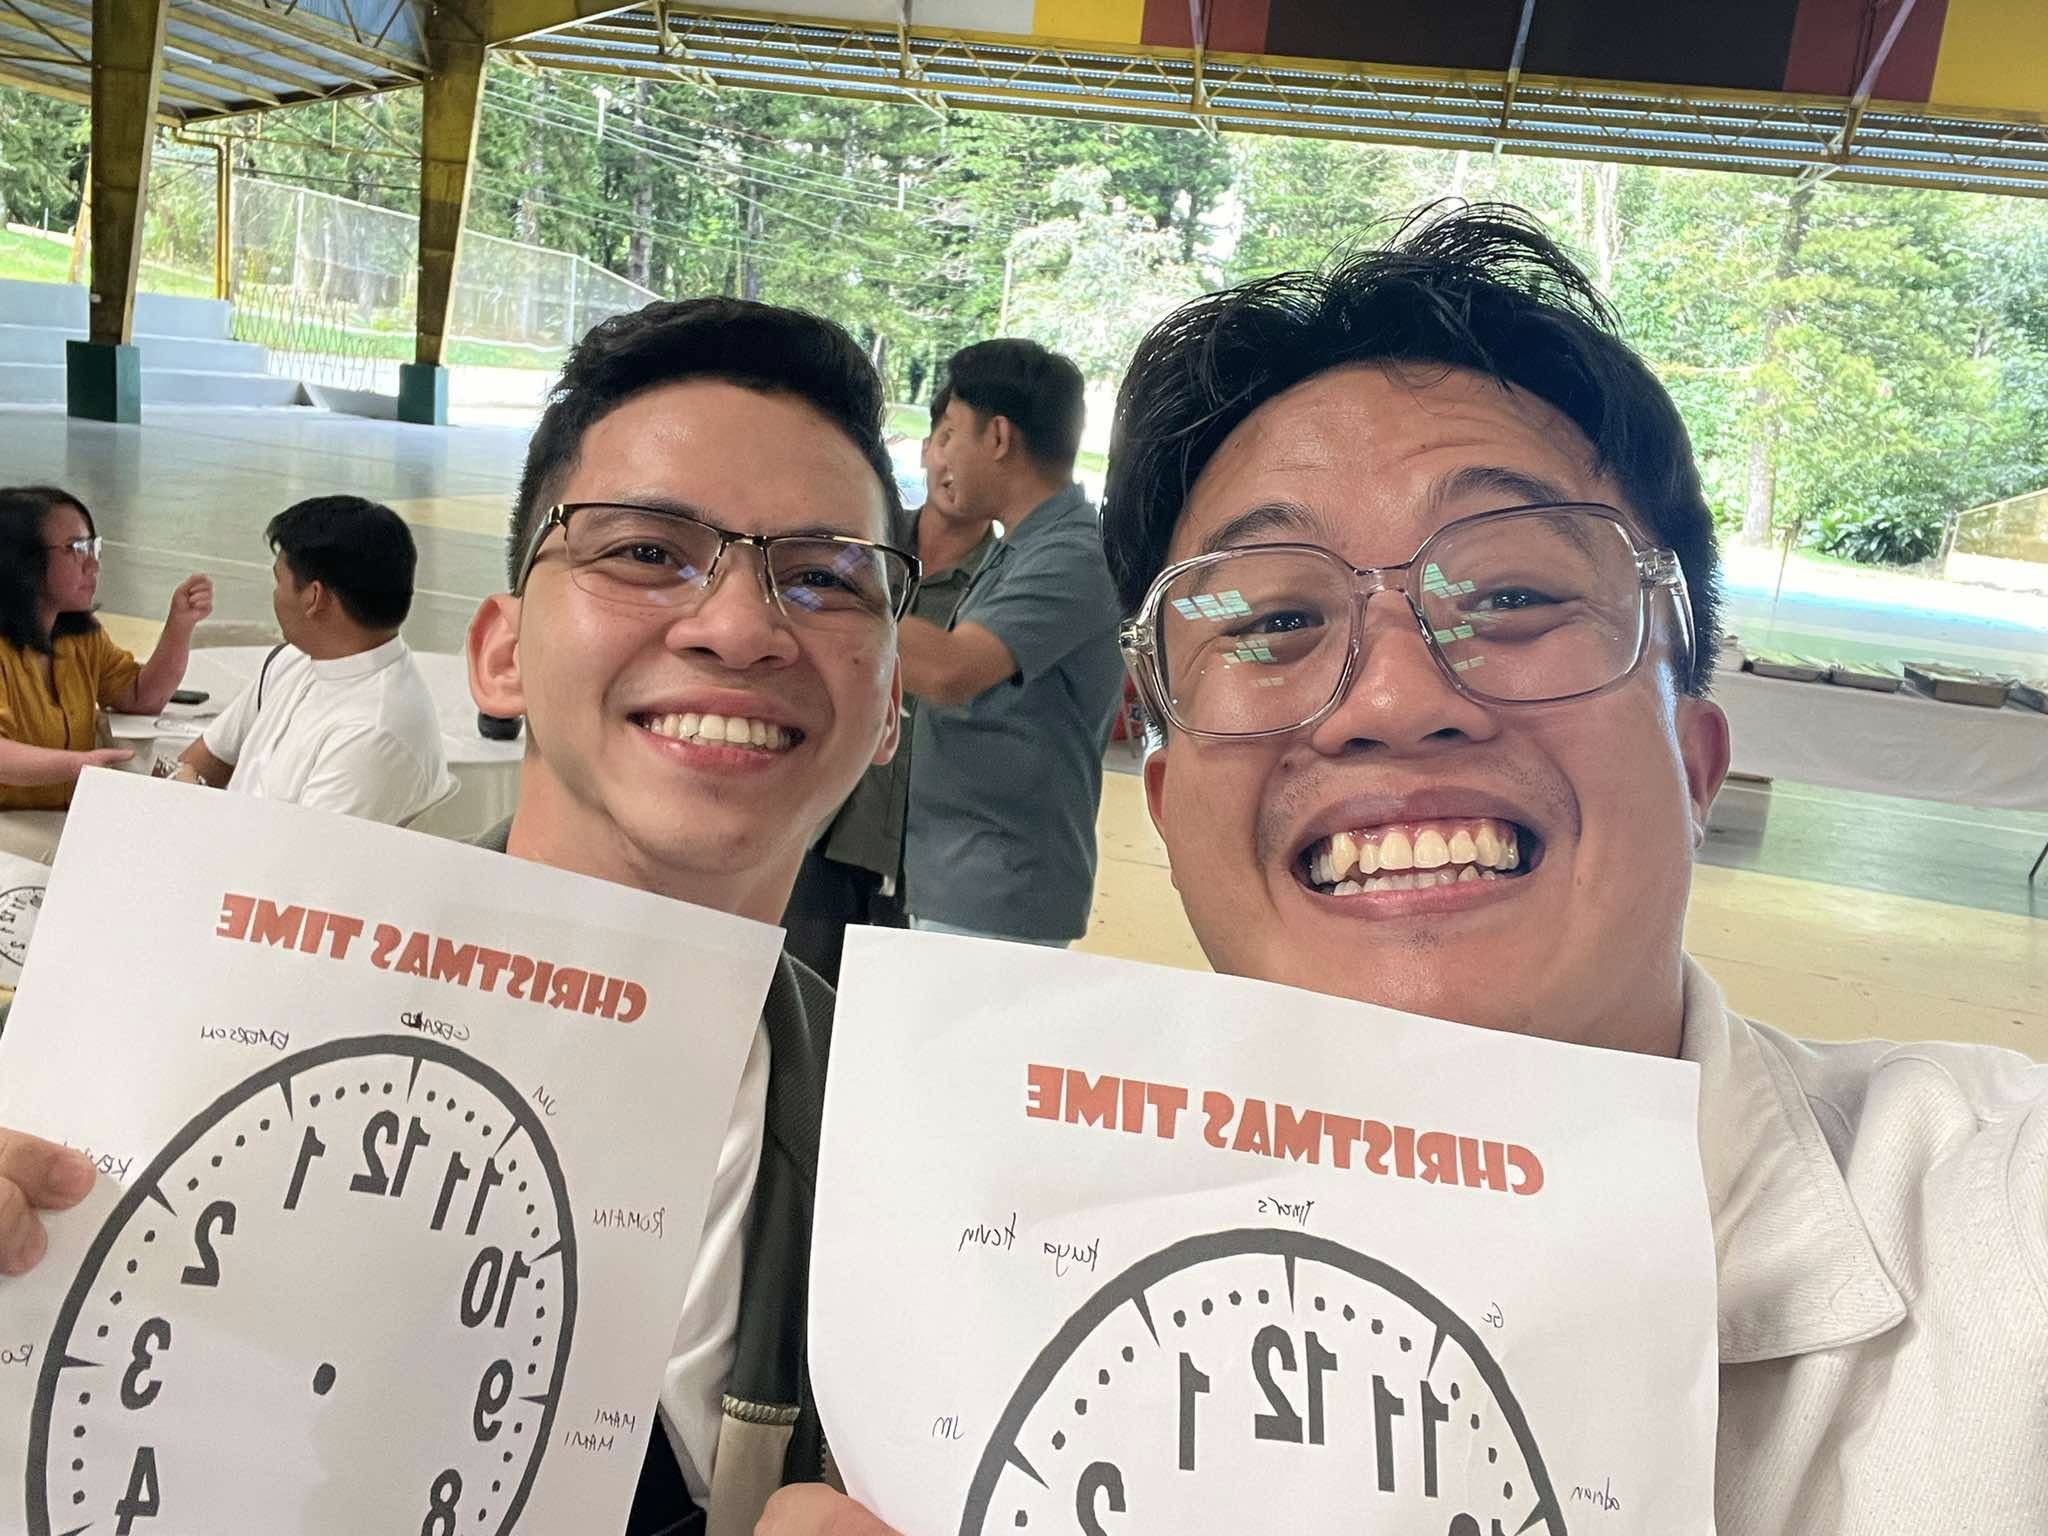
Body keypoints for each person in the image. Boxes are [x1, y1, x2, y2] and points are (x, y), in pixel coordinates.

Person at [759, 205, 2048, 1536]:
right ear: (1170, 805)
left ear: (1695, 760)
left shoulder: (1999, 1237)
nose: (1390, 697)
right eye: (1275, 618)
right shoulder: (970, 1291)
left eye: (1512, 596)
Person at [0, 297, 921, 1534]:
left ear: (890, 707)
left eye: (823, 578)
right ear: (500, 655)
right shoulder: (141, 1052)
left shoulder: (923, 1168)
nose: (741, 627)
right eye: (646, 552)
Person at [897, 339, 1125, 947]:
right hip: (960, 875)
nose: (941, 454)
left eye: (951, 433)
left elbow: (951, 671)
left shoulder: (1074, 553)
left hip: (999, 888)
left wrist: (820, 602)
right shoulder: (1021, 546)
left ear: (998, 437)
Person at [781, 394, 998, 983]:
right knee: (799, 994)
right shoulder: (853, 546)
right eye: (946, 438)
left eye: (978, 444)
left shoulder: (1007, 582)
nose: (955, 463)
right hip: (827, 834)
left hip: (931, 860)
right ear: (926, 449)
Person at [171, 495, 453, 826]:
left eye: (279, 581)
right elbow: (202, 759)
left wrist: (190, 800)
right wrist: (181, 791)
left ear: (314, 597)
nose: (274, 596)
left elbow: (302, 853)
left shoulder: (372, 733)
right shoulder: (295, 661)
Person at [0, 485, 212, 815]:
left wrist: (180, 624)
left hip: (61, 813)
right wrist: (78, 765)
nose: (93, 565)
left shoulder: (79, 636)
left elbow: (140, 697)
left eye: (93, 547)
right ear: (21, 559)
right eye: (76, 549)